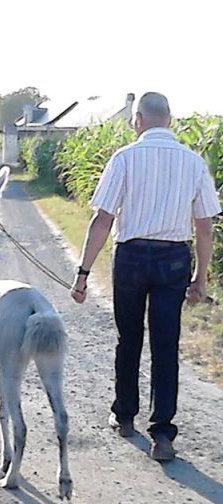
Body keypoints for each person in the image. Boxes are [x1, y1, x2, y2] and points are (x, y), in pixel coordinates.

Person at [70, 92, 221, 462]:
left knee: (129, 337)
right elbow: (204, 226)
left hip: (132, 257)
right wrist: (201, 277)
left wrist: (83, 273)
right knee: (166, 344)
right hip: (173, 258)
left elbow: (102, 219)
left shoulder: (124, 158)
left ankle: (124, 415)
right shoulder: (193, 162)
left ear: (138, 120)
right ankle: (163, 434)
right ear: (170, 120)